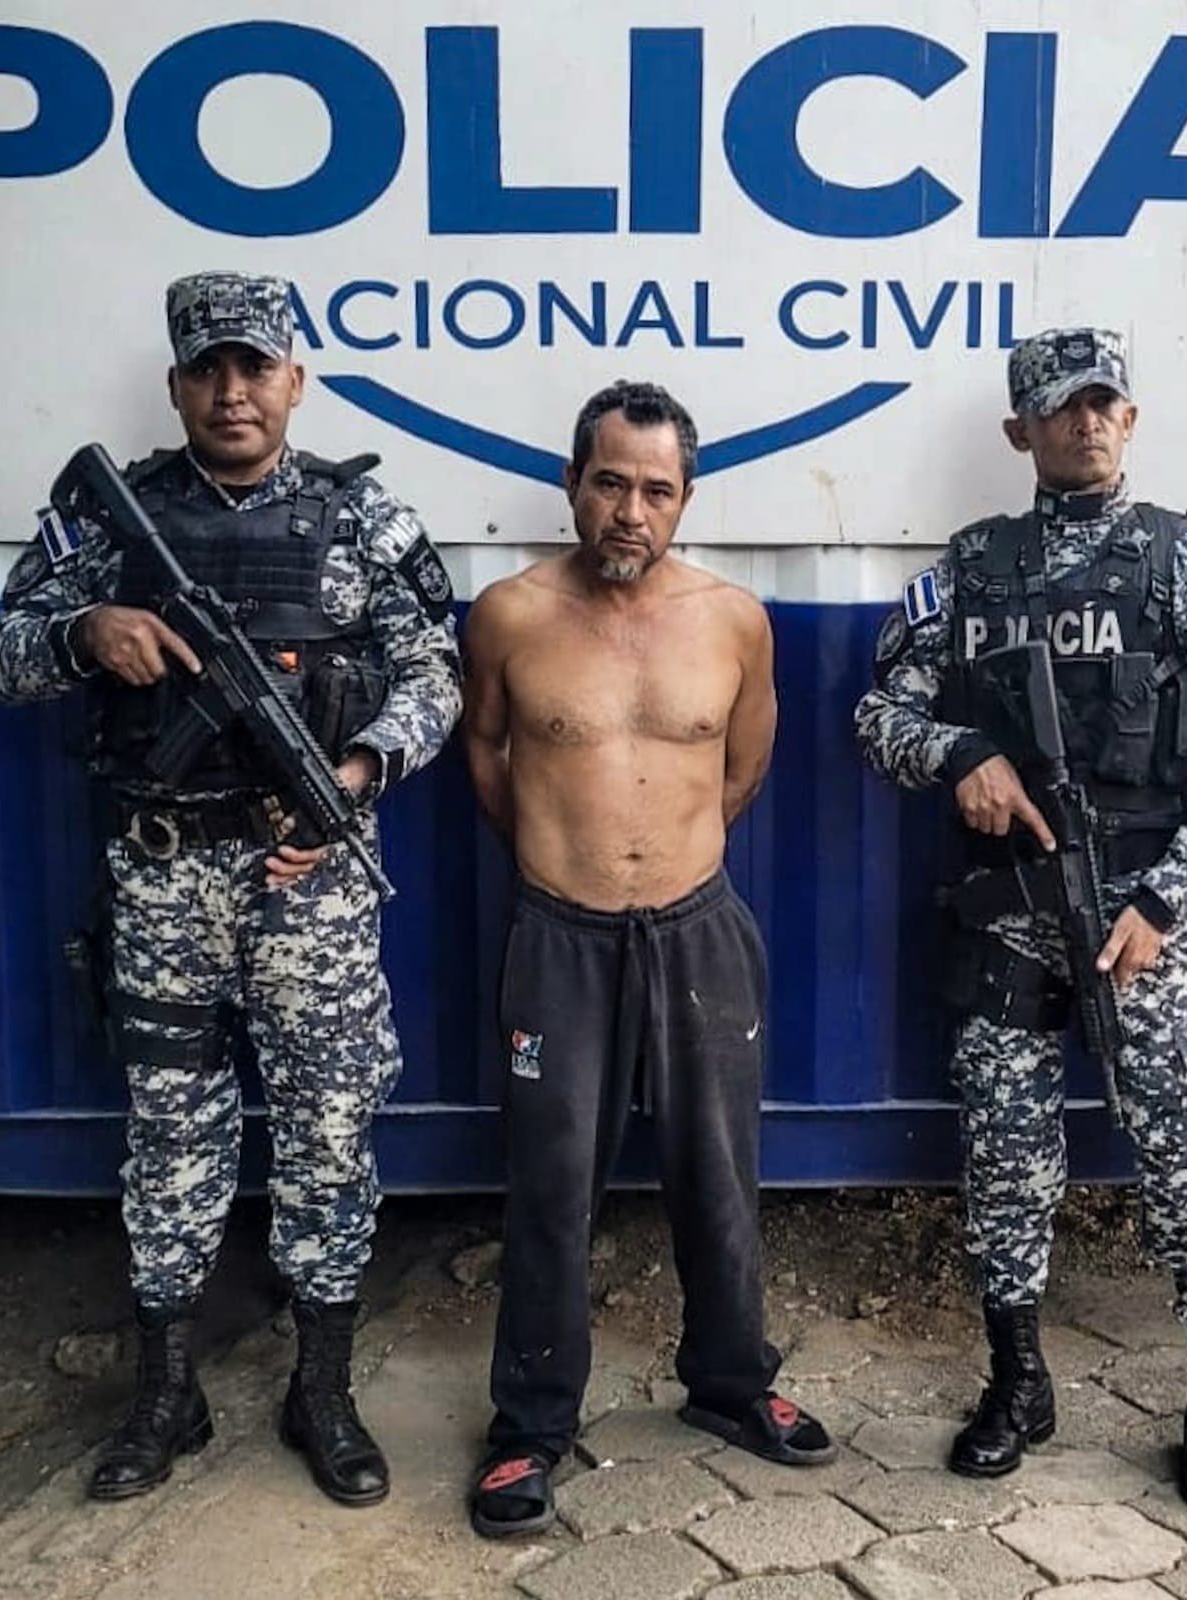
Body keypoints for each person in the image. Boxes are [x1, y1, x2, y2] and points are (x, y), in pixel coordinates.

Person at [0, 271, 462, 1507]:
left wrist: (357, 773)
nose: (232, 390)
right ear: (175, 384)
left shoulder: (365, 521)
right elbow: (7, 654)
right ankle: (166, 1392)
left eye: (255, 366)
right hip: (160, 879)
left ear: (295, 380)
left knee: (329, 1125)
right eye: (208, 368)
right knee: (169, 1131)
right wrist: (88, 631)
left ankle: (323, 1388)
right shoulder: (110, 520)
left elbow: (437, 673)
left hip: (311, 882)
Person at [854, 328, 1187, 1511]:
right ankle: (1017, 1383)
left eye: (1104, 403)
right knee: (1004, 1150)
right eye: (1061, 407)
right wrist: (960, 753)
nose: (1086, 421)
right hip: (1007, 915)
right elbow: (880, 713)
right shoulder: (971, 568)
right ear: (1021, 431)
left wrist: (1165, 894)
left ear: (1129, 419)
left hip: (1144, 920)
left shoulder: (1181, 562)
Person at [461, 379, 835, 1537]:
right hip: (557, 937)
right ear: (571, 482)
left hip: (696, 928)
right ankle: (530, 1424)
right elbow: (487, 756)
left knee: (717, 1170)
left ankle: (728, 1381)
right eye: (611, 482)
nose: (632, 510)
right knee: (549, 1183)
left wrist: (662, 864)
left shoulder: (733, 620)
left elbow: (743, 768)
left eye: (657, 490)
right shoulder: (508, 615)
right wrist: (567, 864)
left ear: (685, 498)